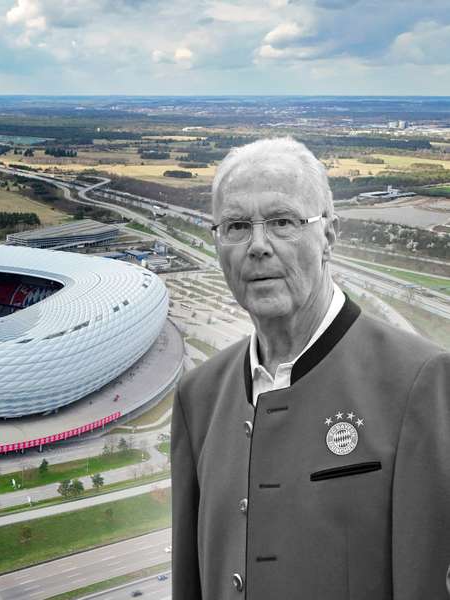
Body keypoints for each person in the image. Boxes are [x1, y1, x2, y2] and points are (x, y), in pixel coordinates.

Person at [171, 137, 450, 599]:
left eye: (283, 222)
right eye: (237, 226)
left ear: (329, 235)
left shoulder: (418, 381)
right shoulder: (198, 397)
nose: (257, 246)